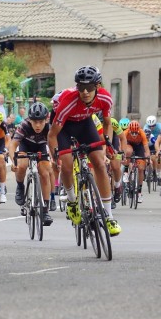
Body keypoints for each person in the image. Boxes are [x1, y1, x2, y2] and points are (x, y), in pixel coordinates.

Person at [47, 65, 121, 236]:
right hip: (64, 127)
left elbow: (108, 124)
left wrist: (108, 145)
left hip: (85, 124)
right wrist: (55, 156)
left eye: (89, 87)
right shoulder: (68, 100)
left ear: (97, 86)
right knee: (65, 165)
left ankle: (108, 217)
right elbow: (52, 134)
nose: (85, 92)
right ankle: (72, 202)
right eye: (81, 87)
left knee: (100, 164)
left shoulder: (105, 98)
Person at [9, 102, 53, 225]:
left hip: (41, 147)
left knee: (45, 173)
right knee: (22, 165)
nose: (38, 125)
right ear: (30, 120)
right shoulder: (24, 125)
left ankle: (45, 210)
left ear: (46, 120)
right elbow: (12, 145)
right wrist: (14, 161)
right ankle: (20, 186)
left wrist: (55, 157)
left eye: (41, 122)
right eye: (34, 122)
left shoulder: (49, 127)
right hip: (26, 145)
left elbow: (54, 145)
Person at [124, 120, 150, 204]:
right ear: (129, 130)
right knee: (128, 152)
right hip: (129, 144)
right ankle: (126, 172)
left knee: (141, 168)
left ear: (138, 130)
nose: (134, 135)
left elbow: (146, 148)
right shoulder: (126, 133)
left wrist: (147, 157)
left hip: (139, 146)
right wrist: (122, 155)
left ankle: (139, 192)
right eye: (132, 133)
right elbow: (122, 145)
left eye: (136, 133)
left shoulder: (142, 133)